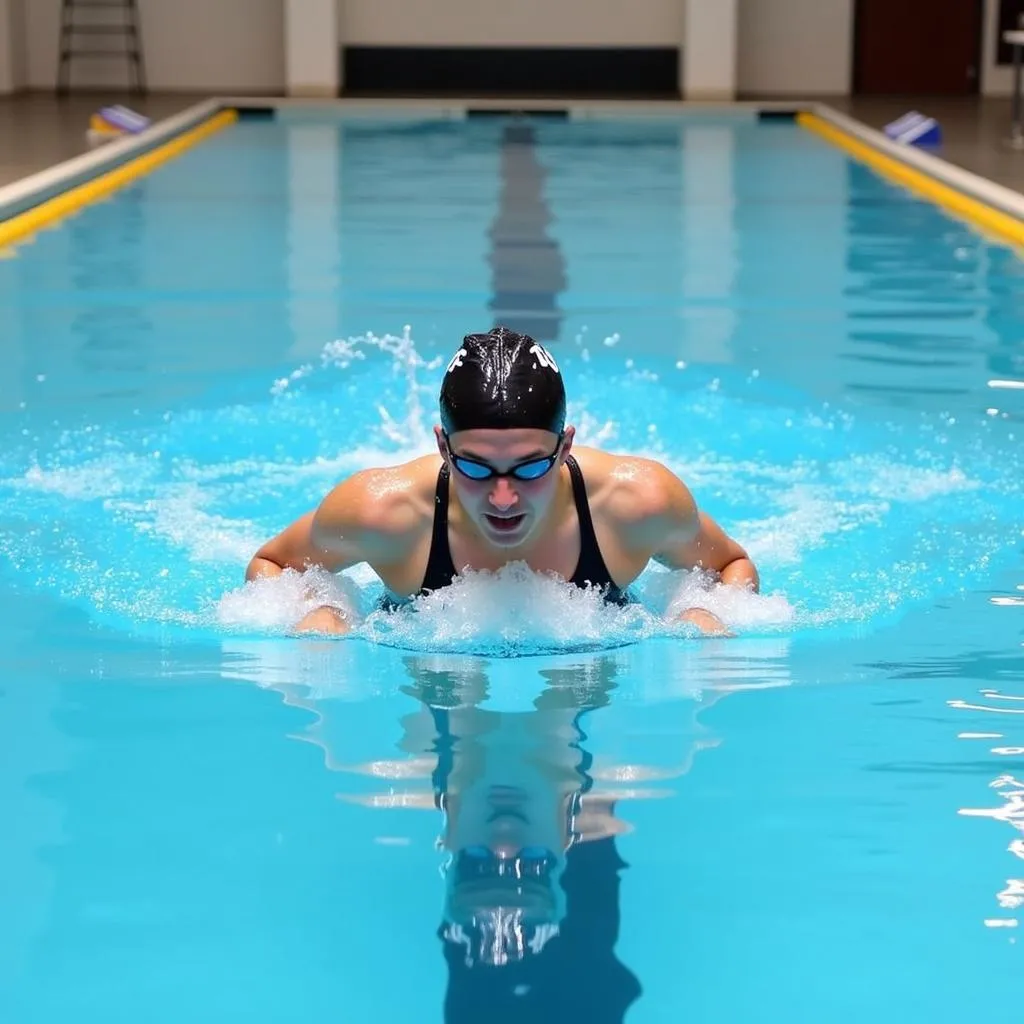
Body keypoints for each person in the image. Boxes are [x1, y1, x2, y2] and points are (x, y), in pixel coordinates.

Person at [245, 326, 759, 636]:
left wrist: (701, 610)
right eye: (474, 467)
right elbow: (270, 564)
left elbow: (731, 563)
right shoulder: (381, 512)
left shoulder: (637, 502)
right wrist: (323, 609)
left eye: (531, 466)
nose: (504, 496)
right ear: (443, 448)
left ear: (566, 448)